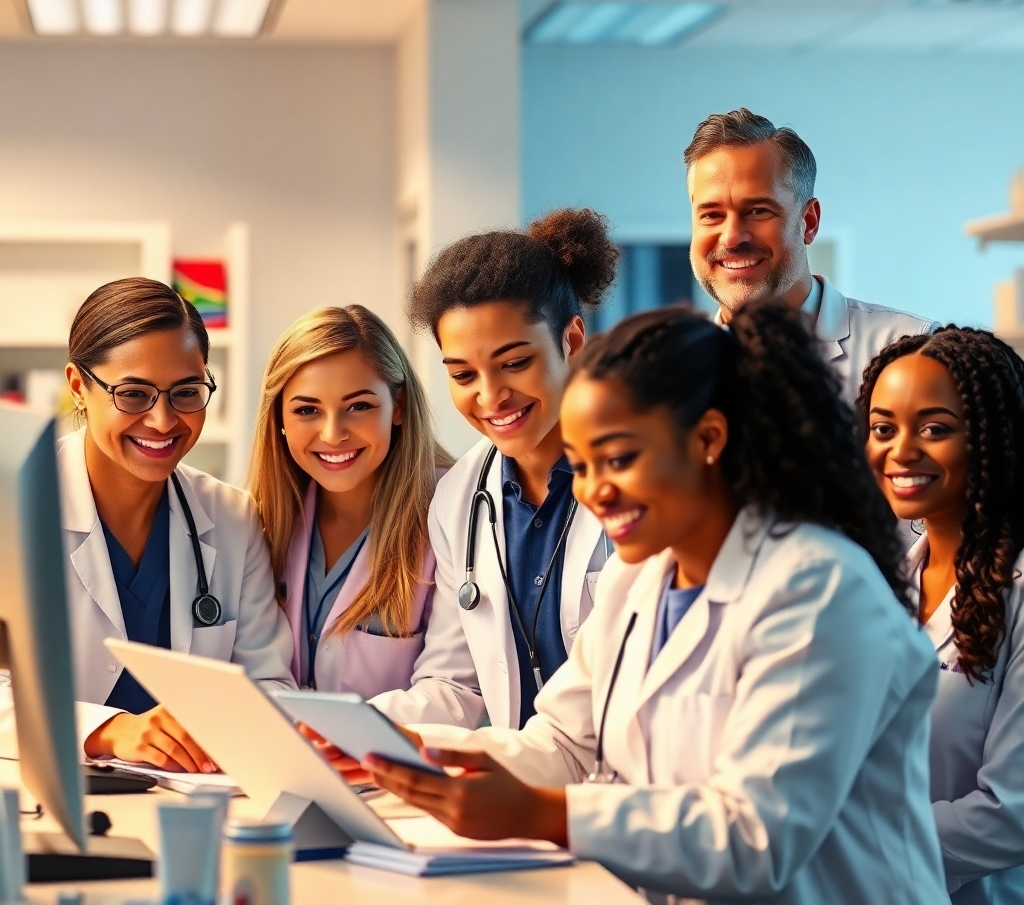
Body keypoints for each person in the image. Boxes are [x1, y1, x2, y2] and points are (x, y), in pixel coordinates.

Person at [364, 302, 947, 905]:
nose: (595, 490)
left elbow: (756, 839)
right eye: (582, 466)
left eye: (619, 460)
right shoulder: (637, 580)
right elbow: (564, 744)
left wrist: (544, 815)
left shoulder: (819, 589)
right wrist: (412, 750)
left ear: (708, 439)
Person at [370, 208, 620, 731]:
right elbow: (455, 684)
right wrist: (338, 725)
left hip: (625, 783)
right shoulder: (459, 497)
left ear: (571, 341)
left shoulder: (636, 474)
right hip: (525, 785)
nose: (490, 396)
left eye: (513, 363)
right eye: (463, 374)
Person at [59, 278, 293, 771]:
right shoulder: (16, 509)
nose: (164, 421)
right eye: (134, 394)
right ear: (80, 386)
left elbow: (267, 681)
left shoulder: (232, 517)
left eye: (187, 392)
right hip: (53, 798)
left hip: (196, 798)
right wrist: (107, 730)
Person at [860, 327, 1024, 904]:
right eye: (884, 428)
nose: (901, 451)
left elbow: (1013, 813)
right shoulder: (882, 581)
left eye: (934, 428)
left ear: (992, 436)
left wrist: (851, 840)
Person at [247, 306, 452, 696]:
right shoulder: (261, 519)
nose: (333, 433)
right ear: (280, 421)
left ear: (399, 407)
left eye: (358, 406)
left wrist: (332, 732)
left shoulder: (450, 514)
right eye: (307, 410)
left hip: (391, 753)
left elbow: (450, 689)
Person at [686, 107, 936, 402]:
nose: (731, 237)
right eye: (712, 215)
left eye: (757, 211)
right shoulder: (675, 369)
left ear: (810, 222)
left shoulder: (909, 349)